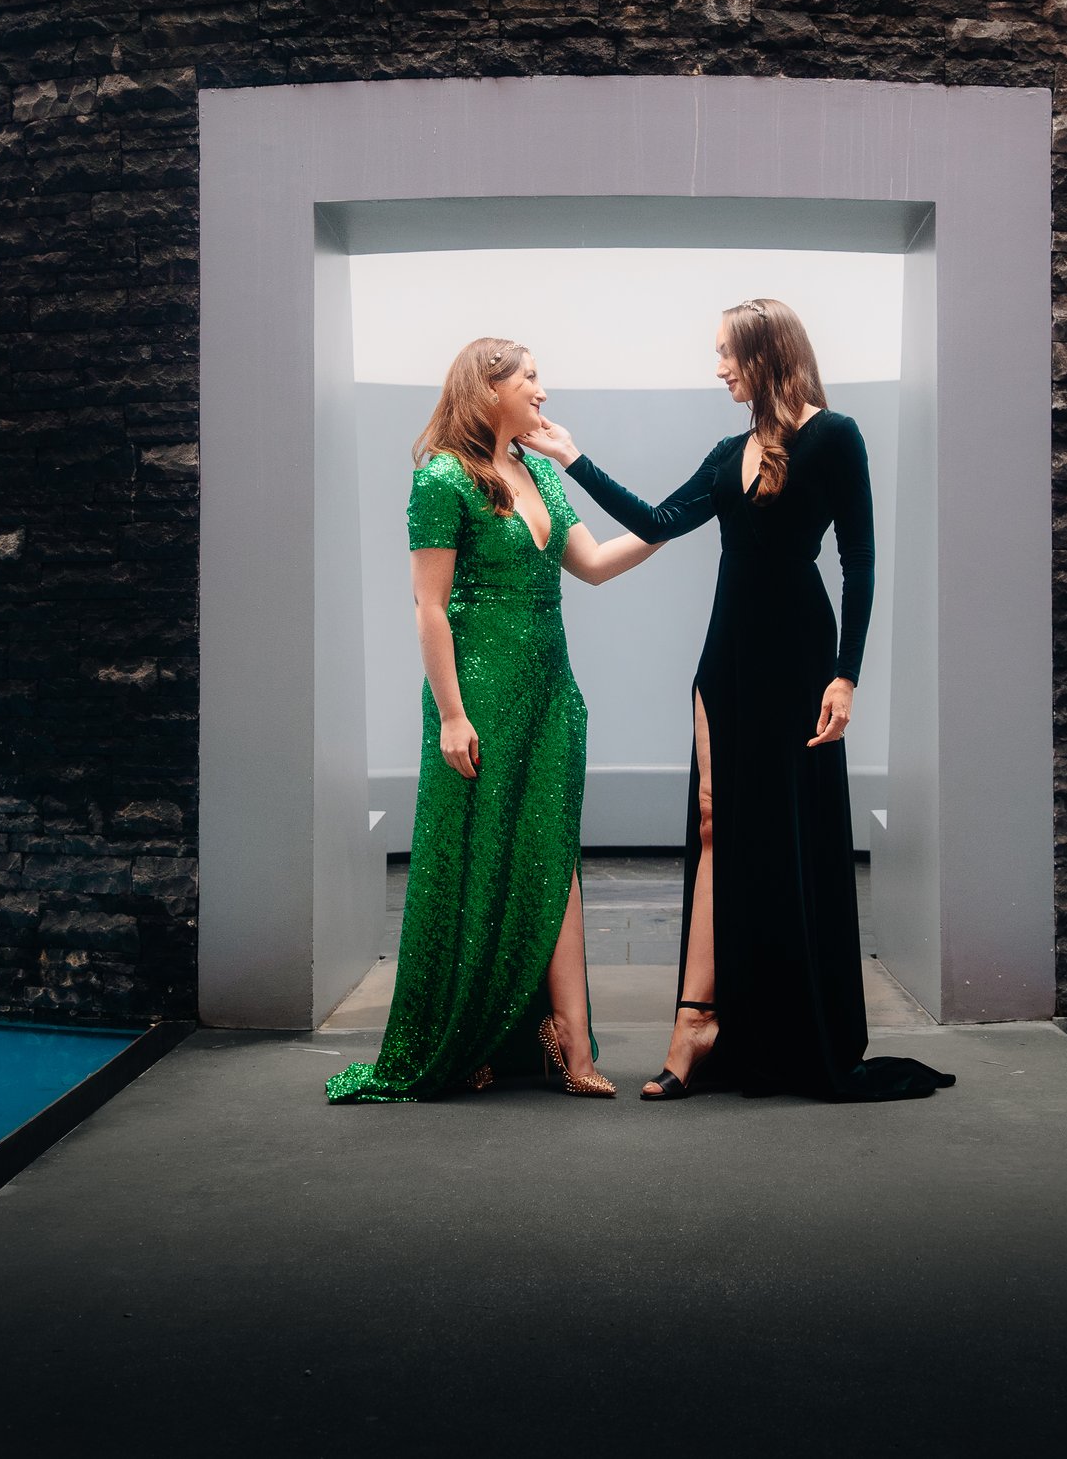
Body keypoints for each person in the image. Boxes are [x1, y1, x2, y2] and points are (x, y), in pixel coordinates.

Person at [524, 299, 954, 1102]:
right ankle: (696, 1021)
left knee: (787, 832)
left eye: (727, 352)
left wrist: (847, 675)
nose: (718, 366)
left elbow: (859, 561)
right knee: (713, 822)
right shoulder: (728, 453)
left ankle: (781, 1018)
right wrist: (573, 458)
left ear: (765, 352)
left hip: (801, 660)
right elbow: (657, 519)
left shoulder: (836, 436)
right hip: (726, 659)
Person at [327, 337, 660, 1103]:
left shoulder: (540, 472)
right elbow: (429, 606)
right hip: (476, 698)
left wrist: (673, 522)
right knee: (474, 863)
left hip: (549, 695)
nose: (542, 390)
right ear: (487, 389)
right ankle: (468, 1031)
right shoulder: (442, 477)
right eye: (530, 378)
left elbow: (594, 564)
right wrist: (450, 713)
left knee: (554, 857)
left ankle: (570, 1038)